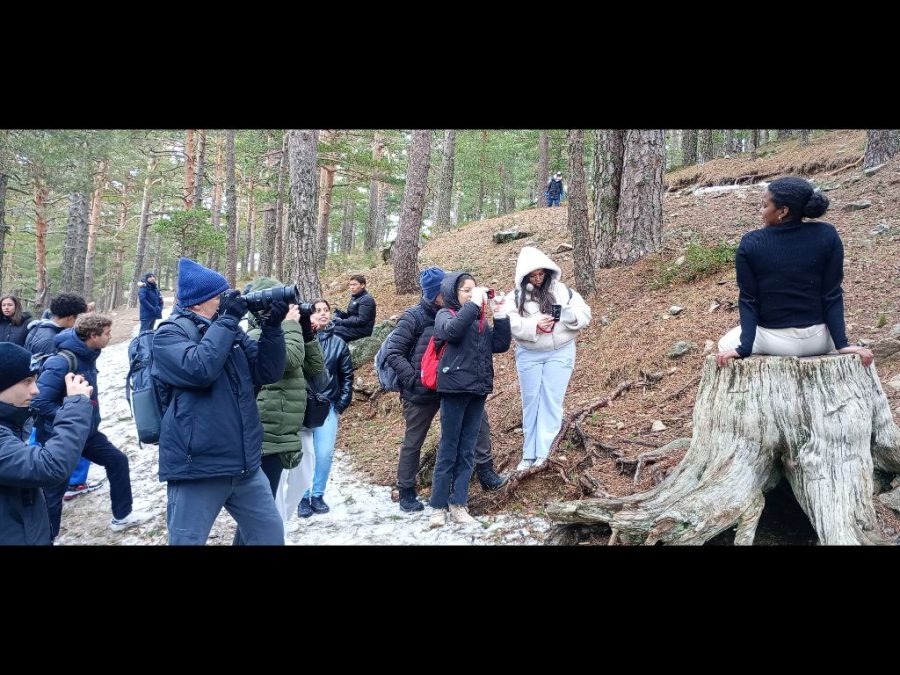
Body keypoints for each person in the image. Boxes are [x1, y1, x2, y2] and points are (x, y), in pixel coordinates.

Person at [151, 257, 287, 545]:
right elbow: (199, 368)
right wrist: (226, 320)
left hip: (244, 465)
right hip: (198, 467)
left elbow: (268, 371)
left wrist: (273, 329)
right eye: (220, 297)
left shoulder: (230, 332)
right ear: (199, 302)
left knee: (269, 535)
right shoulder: (169, 334)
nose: (227, 301)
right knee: (187, 541)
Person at [383, 267, 508, 513]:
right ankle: (406, 489)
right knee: (414, 439)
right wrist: (413, 379)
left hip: (456, 385)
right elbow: (393, 352)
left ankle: (485, 471)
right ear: (434, 293)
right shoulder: (415, 316)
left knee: (479, 424)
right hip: (422, 389)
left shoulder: (461, 313)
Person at [716, 176, 873, 368]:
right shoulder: (827, 234)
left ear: (782, 211)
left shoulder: (751, 243)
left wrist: (743, 348)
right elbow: (832, 293)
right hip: (820, 340)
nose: (761, 211)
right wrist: (842, 344)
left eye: (764, 205)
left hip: (775, 340)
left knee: (724, 344)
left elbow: (749, 299)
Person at [33, 314, 154, 538]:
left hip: (86, 433)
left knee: (117, 461)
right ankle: (46, 538)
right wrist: (70, 417)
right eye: (107, 334)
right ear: (93, 336)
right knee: (53, 492)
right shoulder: (61, 362)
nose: (110, 337)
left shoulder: (88, 355)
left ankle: (122, 516)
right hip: (59, 436)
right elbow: (39, 402)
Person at [233, 277, 324, 542]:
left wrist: (307, 334)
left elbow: (318, 375)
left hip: (282, 431)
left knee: (262, 511)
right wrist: (290, 325)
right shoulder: (257, 335)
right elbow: (290, 358)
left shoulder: (286, 332)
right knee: (261, 513)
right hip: (267, 434)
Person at [428, 272, 511, 527]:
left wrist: (500, 314)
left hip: (477, 390)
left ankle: (458, 504)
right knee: (448, 448)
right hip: (454, 389)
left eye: (474, 290)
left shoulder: (478, 322)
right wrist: (474, 304)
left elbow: (500, 344)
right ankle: (438, 506)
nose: (471, 294)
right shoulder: (445, 315)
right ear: (454, 293)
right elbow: (451, 333)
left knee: (467, 450)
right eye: (465, 290)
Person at [506, 247, 592, 471]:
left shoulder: (564, 291)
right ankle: (528, 453)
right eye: (532, 275)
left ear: (547, 272)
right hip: (530, 353)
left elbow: (584, 314)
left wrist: (565, 314)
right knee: (531, 401)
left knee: (551, 399)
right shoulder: (515, 296)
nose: (537, 279)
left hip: (561, 351)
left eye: (540, 274)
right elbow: (508, 321)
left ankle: (544, 451)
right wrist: (534, 325)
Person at [0, 343, 94, 545]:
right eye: (27, 382)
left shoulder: (9, 425)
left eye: (35, 380)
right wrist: (76, 405)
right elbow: (49, 466)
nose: (36, 390)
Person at [297, 299, 354, 518]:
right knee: (303, 454)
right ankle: (303, 496)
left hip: (327, 405)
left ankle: (317, 495)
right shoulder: (298, 339)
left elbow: (347, 375)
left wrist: (341, 404)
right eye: (317, 311)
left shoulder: (339, 343)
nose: (322, 314)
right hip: (301, 406)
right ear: (308, 316)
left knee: (324, 453)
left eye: (326, 310)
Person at [331, 274, 376, 343]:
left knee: (332, 330)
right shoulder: (355, 297)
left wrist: (341, 322)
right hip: (354, 327)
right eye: (350, 285)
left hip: (362, 330)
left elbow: (361, 320)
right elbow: (353, 316)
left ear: (362, 285)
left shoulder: (367, 299)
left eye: (354, 285)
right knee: (328, 328)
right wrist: (342, 314)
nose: (351, 287)